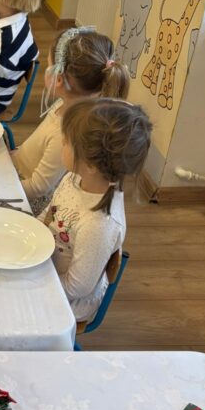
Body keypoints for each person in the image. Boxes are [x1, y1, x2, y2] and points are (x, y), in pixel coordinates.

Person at [41, 99, 151, 324]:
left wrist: (33, 286)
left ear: (91, 165)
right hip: (45, 265)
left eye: (67, 141)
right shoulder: (75, 178)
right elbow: (49, 213)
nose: (62, 142)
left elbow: (76, 287)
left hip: (66, 302)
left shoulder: (98, 225)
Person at [12, 28, 131, 214]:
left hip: (24, 200)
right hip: (16, 173)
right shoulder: (63, 104)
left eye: (49, 65)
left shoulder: (65, 133)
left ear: (59, 79)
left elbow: (37, 188)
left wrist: (0, 188)